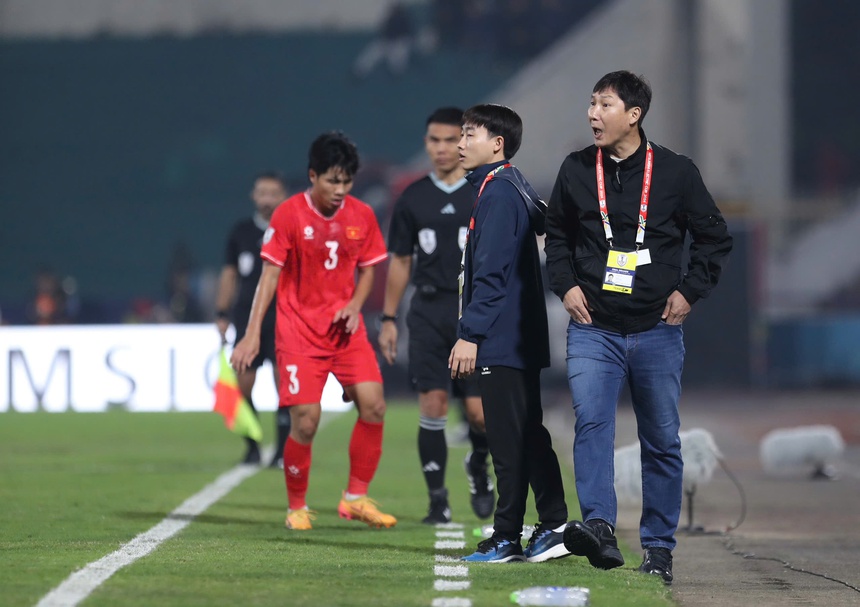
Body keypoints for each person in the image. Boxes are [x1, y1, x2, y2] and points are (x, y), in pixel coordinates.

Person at [544, 71, 733, 583]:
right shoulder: (577, 169)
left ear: (634, 114)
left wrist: (690, 291)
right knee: (592, 425)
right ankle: (601, 527)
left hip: (656, 329)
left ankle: (658, 550)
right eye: (590, 103)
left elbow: (715, 238)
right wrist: (564, 285)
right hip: (593, 328)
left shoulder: (675, 172)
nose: (591, 114)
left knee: (661, 440)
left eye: (603, 104)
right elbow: (555, 236)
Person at [231, 132, 397, 531]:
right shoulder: (289, 215)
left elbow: (369, 267)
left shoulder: (361, 215)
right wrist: (252, 334)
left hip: (345, 331)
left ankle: (355, 498)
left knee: (374, 405)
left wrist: (355, 305)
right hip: (299, 333)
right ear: (312, 176)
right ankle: (296, 507)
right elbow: (269, 277)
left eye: (347, 182)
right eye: (332, 181)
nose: (340, 190)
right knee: (306, 421)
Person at [450, 104, 569, 563]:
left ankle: (507, 538)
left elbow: (492, 274)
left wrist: (470, 333)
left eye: (470, 134)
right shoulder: (512, 184)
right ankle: (554, 523)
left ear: (496, 143)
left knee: (508, 439)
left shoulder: (498, 193)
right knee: (526, 433)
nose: (461, 143)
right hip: (517, 335)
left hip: (501, 337)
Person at [379, 107, 493, 525]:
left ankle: (479, 467)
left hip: (473, 310)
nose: (443, 148)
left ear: (463, 141)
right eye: (434, 140)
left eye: (450, 139)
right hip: (427, 310)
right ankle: (437, 500)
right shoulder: (412, 197)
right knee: (433, 405)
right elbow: (400, 261)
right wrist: (388, 318)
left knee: (480, 413)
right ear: (426, 143)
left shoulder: (483, 189)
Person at [215, 171, 290, 467]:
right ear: (254, 196)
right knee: (242, 385)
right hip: (247, 317)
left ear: (282, 195)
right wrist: (222, 313)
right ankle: (253, 444)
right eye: (263, 193)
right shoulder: (241, 232)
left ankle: (283, 451)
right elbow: (229, 273)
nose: (268, 199)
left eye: (274, 193)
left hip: (284, 316)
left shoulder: (291, 228)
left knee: (284, 385)